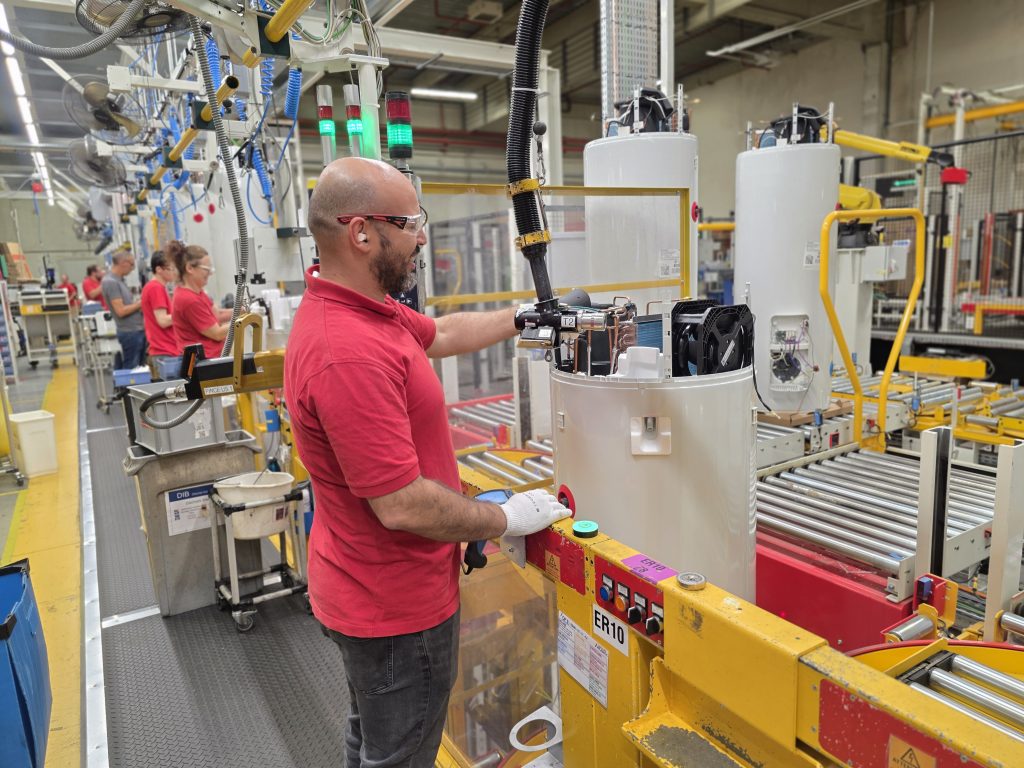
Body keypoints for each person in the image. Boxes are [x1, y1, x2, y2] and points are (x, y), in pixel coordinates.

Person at [284, 157, 568, 768]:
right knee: (403, 754)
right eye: (410, 222)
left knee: (373, 743)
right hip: (394, 611)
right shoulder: (347, 352)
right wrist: (506, 516)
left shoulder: (364, 309)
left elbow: (440, 334)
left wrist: (526, 317)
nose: (421, 237)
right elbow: (401, 503)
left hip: (366, 588)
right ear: (361, 233)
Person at [168, 240, 232, 359]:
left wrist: (245, 310)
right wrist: (243, 321)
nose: (210, 274)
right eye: (206, 269)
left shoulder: (198, 292)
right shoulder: (188, 299)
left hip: (211, 359)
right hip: (201, 364)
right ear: (190, 268)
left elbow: (217, 315)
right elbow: (217, 334)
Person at [101, 251, 147, 369]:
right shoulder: (111, 282)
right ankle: (129, 388)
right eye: (131, 265)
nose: (132, 269)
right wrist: (141, 303)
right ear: (123, 263)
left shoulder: (120, 281)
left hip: (136, 331)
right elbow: (120, 311)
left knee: (139, 370)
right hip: (130, 333)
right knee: (131, 370)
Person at [140, 250, 179, 376]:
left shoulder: (156, 287)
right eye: (170, 268)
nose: (174, 272)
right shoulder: (155, 288)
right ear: (159, 269)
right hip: (165, 350)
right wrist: (184, 315)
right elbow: (162, 321)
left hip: (165, 350)